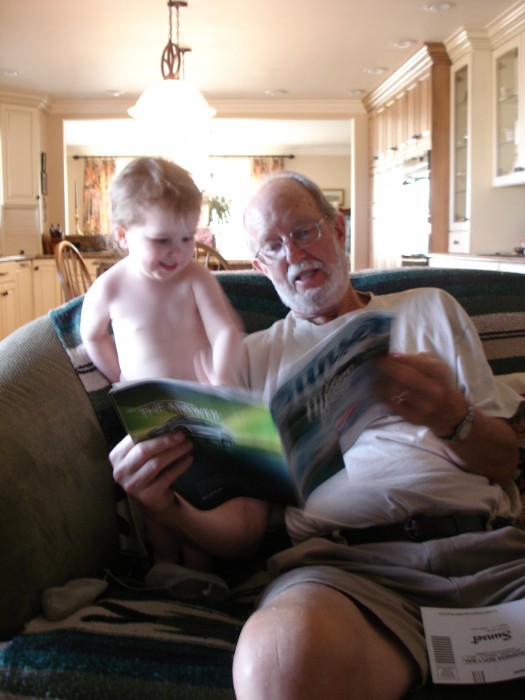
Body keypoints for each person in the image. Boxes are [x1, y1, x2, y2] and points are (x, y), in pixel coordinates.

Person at [109, 171, 525, 700]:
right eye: (274, 246)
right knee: (278, 661)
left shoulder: (432, 308)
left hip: (495, 553)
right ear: (260, 267)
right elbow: (243, 531)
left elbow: (505, 461)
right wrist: (165, 508)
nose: (294, 254)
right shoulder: (251, 357)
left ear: (339, 228)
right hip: (347, 577)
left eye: (305, 231)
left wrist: (453, 419)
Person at [81, 156, 242, 572]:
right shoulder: (110, 285)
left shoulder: (196, 278)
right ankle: (166, 566)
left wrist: (220, 382)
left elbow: (225, 330)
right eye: (162, 240)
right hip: (147, 408)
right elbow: (92, 335)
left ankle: (199, 573)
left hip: (197, 403)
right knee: (153, 488)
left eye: (188, 239)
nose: (179, 253)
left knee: (197, 490)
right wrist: (119, 375)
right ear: (123, 235)